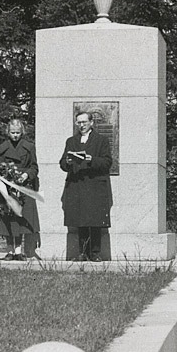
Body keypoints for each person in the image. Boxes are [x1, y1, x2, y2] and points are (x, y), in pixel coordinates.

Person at [59, 111, 112, 261]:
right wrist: (68, 162)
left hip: (94, 185)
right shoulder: (71, 141)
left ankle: (95, 253)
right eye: (79, 123)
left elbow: (107, 162)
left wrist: (91, 159)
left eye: (84, 122)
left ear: (91, 123)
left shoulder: (101, 140)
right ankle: (82, 253)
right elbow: (62, 162)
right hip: (77, 185)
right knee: (79, 220)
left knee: (95, 220)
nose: (82, 125)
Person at [0, 118, 41, 260]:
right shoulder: (1, 148)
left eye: (18, 132)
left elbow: (34, 167)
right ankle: (10, 250)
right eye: (13, 132)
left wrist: (26, 175)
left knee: (20, 220)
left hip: (23, 187)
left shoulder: (29, 146)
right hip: (6, 188)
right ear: (8, 132)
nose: (15, 135)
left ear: (22, 132)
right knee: (8, 220)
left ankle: (19, 251)